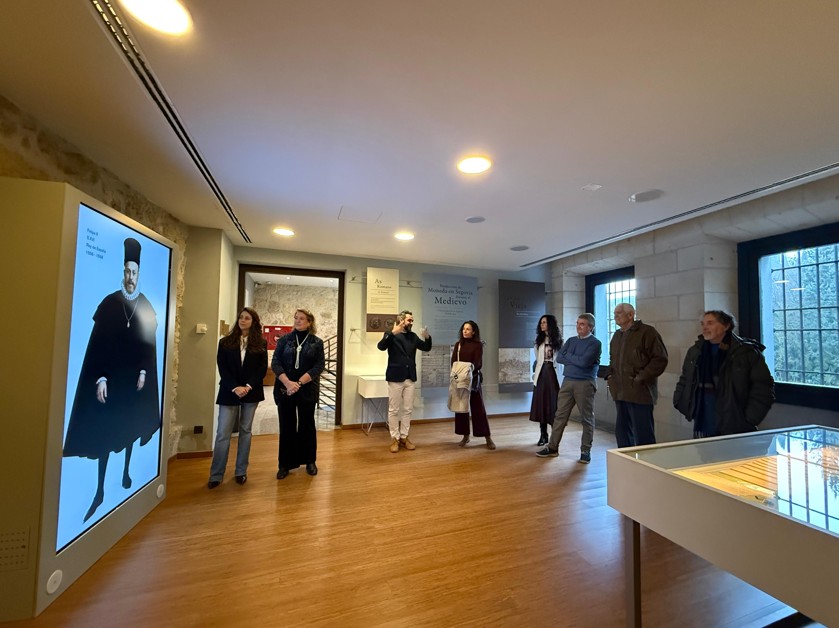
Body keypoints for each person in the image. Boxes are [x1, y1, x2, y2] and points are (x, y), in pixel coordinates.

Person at [64, 237, 160, 522]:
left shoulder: (145, 306)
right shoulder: (109, 304)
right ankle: (100, 490)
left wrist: (143, 371)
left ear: (139, 274)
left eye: (134, 272)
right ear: (123, 272)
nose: (130, 277)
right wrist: (101, 377)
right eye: (127, 272)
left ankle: (127, 471)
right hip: (111, 379)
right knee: (106, 433)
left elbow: (148, 346)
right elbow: (99, 345)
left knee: (130, 427)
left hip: (133, 380)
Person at [674, 310, 774, 438]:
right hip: (703, 420)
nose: (705, 327)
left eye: (710, 323)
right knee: (705, 450)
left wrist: (750, 418)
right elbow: (685, 379)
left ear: (726, 326)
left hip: (735, 423)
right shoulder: (696, 351)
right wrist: (680, 402)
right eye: (703, 324)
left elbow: (763, 387)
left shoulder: (746, 352)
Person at [208, 307, 268, 489]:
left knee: (245, 431)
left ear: (254, 322)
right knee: (222, 434)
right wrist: (235, 387)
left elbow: (261, 369)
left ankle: (241, 471)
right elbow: (223, 368)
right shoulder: (225, 342)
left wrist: (248, 386)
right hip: (229, 391)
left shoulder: (261, 343)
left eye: (247, 318)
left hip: (251, 392)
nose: (243, 320)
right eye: (241, 317)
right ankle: (216, 475)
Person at [537, 314, 602, 463]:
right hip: (567, 382)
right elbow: (560, 358)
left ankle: (585, 451)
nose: (578, 326)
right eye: (577, 323)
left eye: (582, 324)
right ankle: (552, 447)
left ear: (590, 327)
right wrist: (575, 359)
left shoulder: (595, 343)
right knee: (559, 416)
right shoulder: (571, 341)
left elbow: (584, 362)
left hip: (585, 383)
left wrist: (570, 357)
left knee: (586, 418)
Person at [272, 308, 325, 479]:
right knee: (286, 425)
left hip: (307, 389)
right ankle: (285, 464)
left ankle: (309, 461)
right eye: (296, 318)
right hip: (285, 389)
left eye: (302, 318)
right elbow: (275, 363)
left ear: (309, 322)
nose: (297, 320)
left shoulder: (317, 342)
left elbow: (319, 366)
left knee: (307, 425)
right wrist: (288, 383)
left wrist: (300, 383)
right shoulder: (284, 340)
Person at [606, 303, 668, 448]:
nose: (615, 316)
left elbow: (660, 359)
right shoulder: (617, 335)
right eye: (614, 313)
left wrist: (641, 377)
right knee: (622, 433)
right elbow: (613, 359)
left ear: (630, 315)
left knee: (643, 434)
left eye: (619, 313)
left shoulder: (647, 332)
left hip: (640, 392)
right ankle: (625, 460)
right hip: (620, 392)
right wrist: (610, 375)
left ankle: (647, 461)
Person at [377, 310, 432, 453]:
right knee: (394, 410)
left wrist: (427, 337)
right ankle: (394, 438)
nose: (411, 322)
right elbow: (381, 347)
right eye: (409, 320)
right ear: (401, 320)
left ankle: (404, 437)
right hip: (395, 377)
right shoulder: (391, 334)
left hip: (410, 377)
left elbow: (426, 347)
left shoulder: (413, 336)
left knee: (408, 409)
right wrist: (392, 333)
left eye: (412, 320)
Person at [451, 321, 495, 450]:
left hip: (473, 379)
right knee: (461, 408)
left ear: (473, 331)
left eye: (468, 329)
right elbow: (453, 362)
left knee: (478, 408)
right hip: (460, 380)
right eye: (464, 329)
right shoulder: (458, 345)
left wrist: (466, 371)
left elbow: (477, 363)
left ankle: (487, 437)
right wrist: (459, 374)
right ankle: (465, 436)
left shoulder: (478, 345)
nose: (465, 331)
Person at [528, 314, 563, 446]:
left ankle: (555, 437)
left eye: (544, 322)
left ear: (551, 324)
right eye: (541, 322)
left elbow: (560, 359)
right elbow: (538, 358)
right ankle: (543, 435)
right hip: (542, 373)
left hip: (553, 374)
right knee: (541, 404)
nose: (542, 325)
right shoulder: (538, 341)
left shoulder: (559, 341)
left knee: (553, 404)